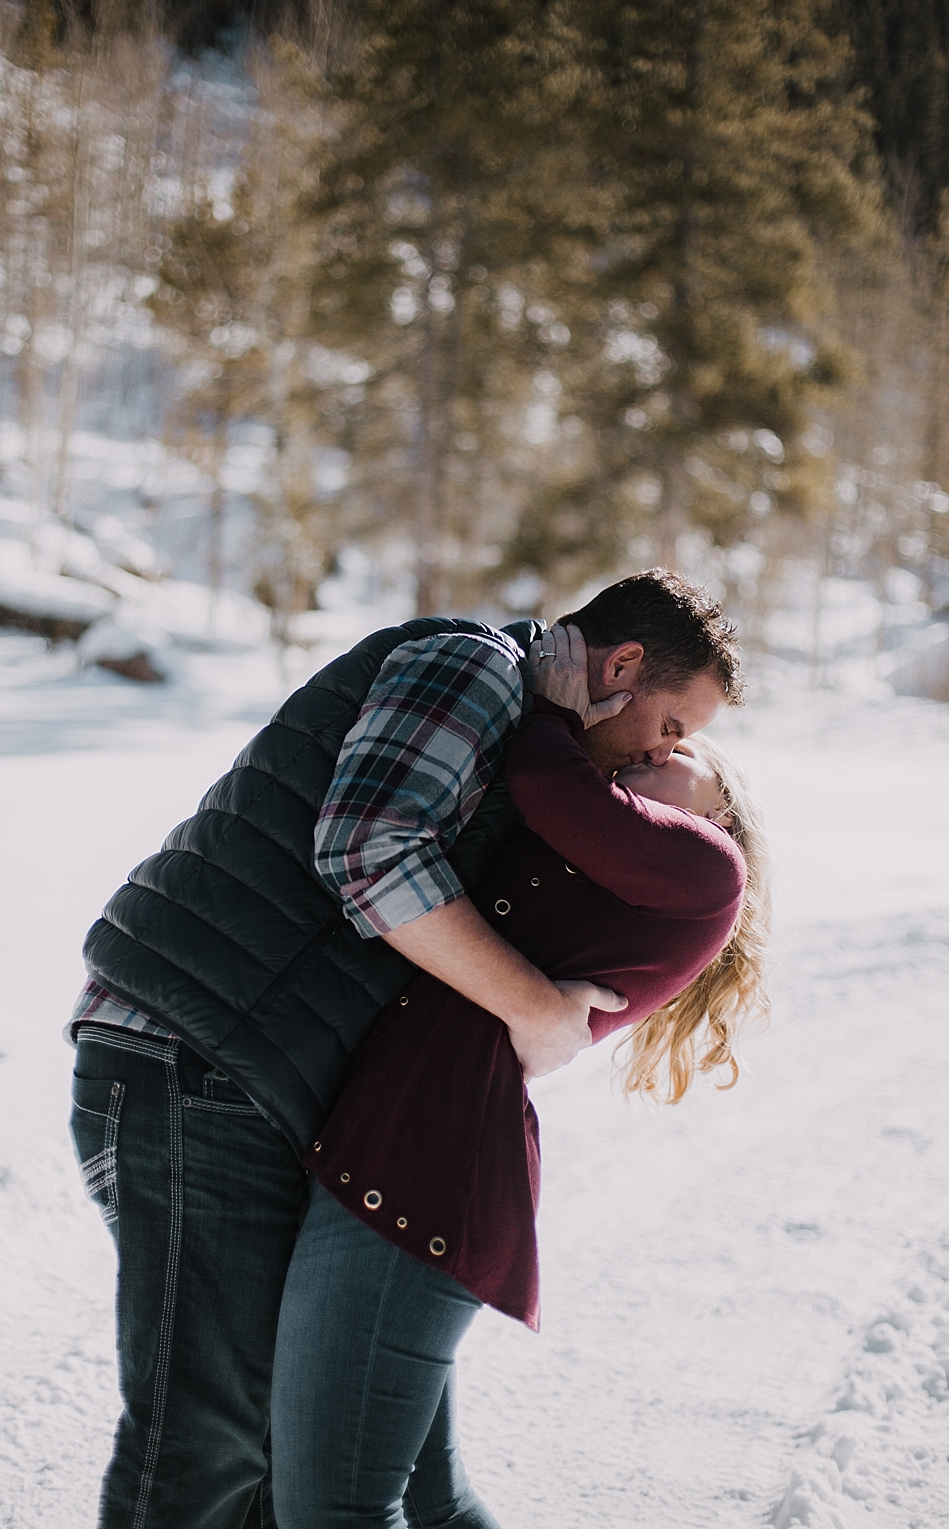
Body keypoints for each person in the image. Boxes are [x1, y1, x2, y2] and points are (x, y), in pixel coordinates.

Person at [68, 569, 743, 1528]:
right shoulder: (475, 666)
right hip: (200, 1057)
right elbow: (369, 845)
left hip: (240, 1067)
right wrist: (536, 1011)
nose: (661, 753)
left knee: (267, 1440)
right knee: (208, 1438)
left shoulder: (524, 740)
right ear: (623, 665)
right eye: (671, 726)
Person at [268, 629, 770, 1529]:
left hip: (419, 1183)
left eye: (681, 749)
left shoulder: (706, 867)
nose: (655, 751)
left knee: (332, 1510)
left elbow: (547, 786)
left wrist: (551, 708)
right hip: (409, 1168)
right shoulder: (617, 864)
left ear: (723, 811)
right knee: (432, 1503)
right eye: (661, 736)